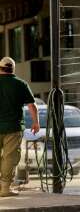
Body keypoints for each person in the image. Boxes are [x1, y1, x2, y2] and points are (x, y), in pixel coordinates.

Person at [0, 57, 39, 197]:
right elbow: (32, 106)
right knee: (10, 158)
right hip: (13, 128)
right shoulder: (21, 84)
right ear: (13, 69)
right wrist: (36, 122)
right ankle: (5, 189)